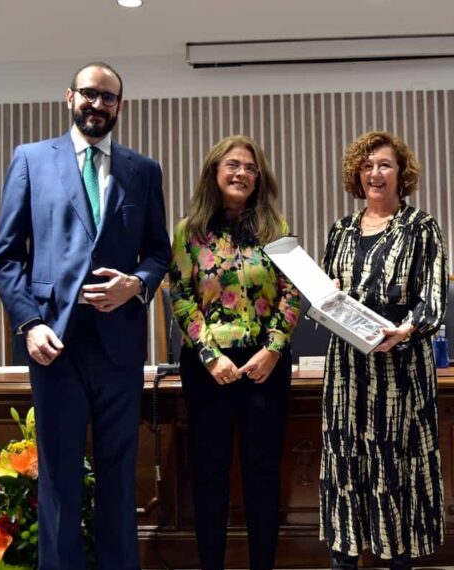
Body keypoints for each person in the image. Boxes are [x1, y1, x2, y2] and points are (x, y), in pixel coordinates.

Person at [0, 62, 171, 570]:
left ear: (120, 106)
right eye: (89, 94)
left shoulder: (143, 170)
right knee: (59, 478)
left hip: (119, 348)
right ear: (69, 96)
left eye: (109, 97)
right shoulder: (30, 160)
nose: (98, 104)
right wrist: (29, 324)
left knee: (118, 478)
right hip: (55, 346)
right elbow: (7, 259)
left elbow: (159, 252)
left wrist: (135, 284)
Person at [168, 135, 300, 570]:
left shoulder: (275, 229)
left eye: (250, 167)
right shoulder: (189, 231)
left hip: (265, 367)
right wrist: (210, 357)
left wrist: (273, 351)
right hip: (209, 371)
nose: (241, 172)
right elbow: (182, 296)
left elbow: (293, 292)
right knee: (210, 475)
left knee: (262, 475)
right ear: (215, 172)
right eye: (232, 165)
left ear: (259, 178)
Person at [319, 131, 448, 570]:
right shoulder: (339, 230)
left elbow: (433, 297)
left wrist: (407, 328)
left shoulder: (421, 227)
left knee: (395, 467)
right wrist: (326, 292)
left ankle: (398, 561)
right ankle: (345, 558)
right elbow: (322, 290)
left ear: (401, 173)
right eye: (368, 165)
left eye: (385, 165)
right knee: (344, 460)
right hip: (346, 368)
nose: (375, 172)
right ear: (358, 173)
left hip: (399, 365)